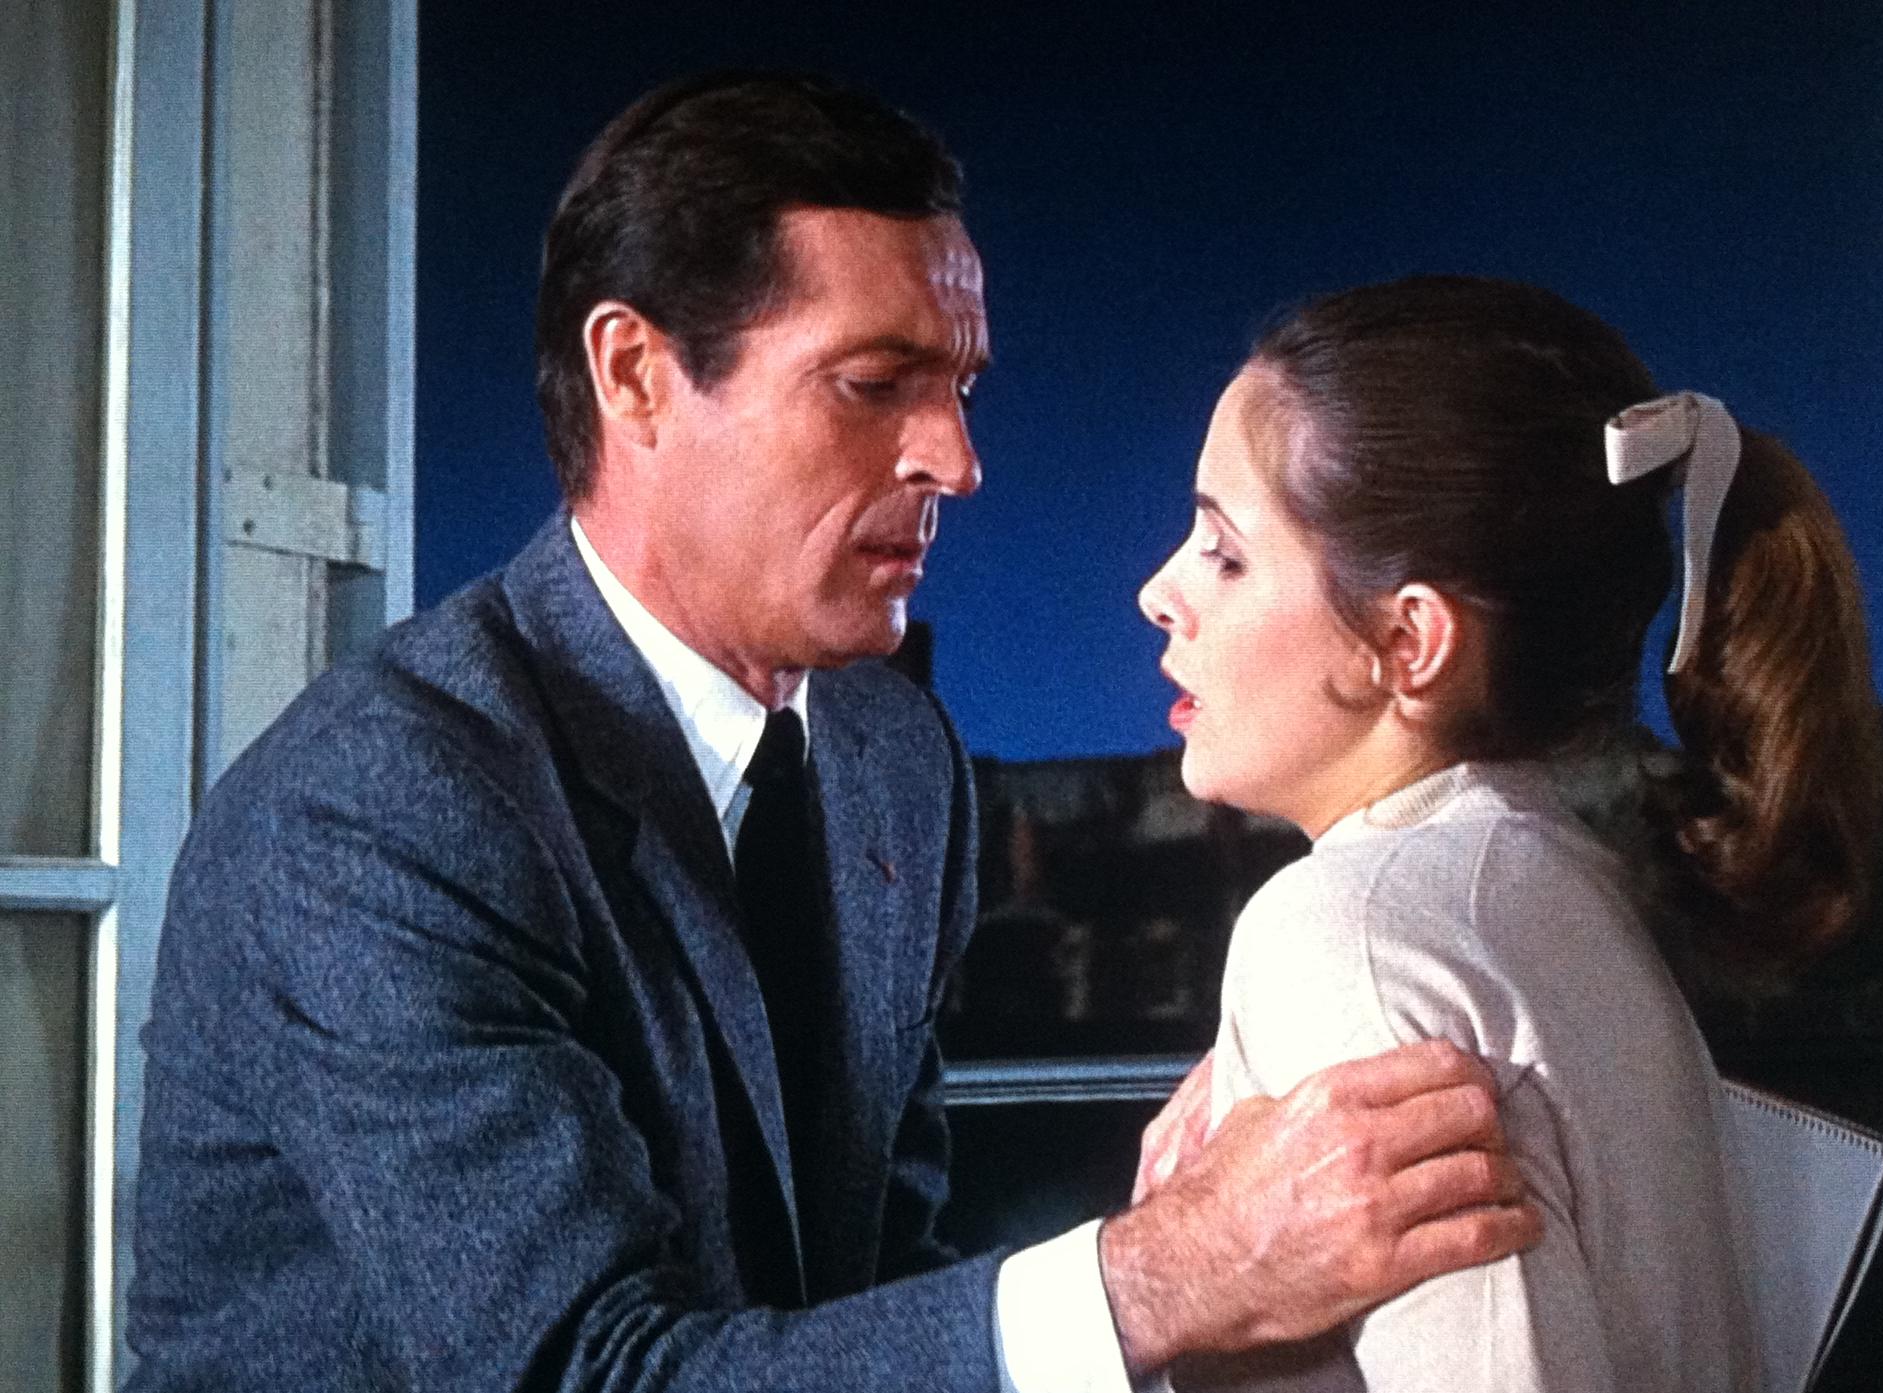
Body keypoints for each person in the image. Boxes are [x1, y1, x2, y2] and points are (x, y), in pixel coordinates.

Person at [122, 75, 1541, 1392]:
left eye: (960, 387)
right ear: (635, 375)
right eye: (873, 384)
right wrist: (1165, 1273)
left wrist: (1201, 1211)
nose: (956, 460)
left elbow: (879, 1290)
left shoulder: (890, 762)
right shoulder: (381, 808)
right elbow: (593, 1372)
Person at [1128, 275, 1883, 1391]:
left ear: (1409, 642)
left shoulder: (1352, 929)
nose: (1158, 592)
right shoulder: (1556, 884)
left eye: (1223, 551)